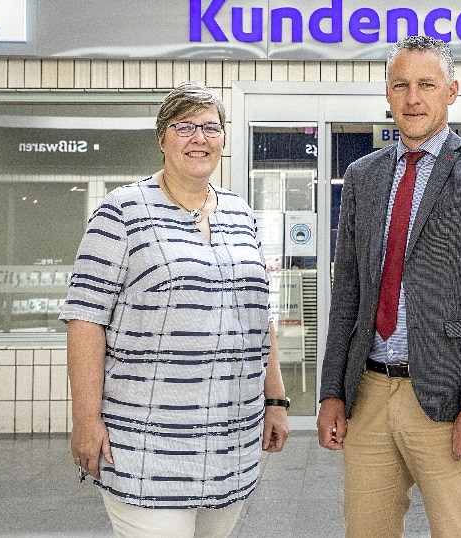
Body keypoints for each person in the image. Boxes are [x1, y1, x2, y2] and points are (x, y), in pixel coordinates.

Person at [62, 82, 290, 538]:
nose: (199, 138)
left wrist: (276, 400)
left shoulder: (241, 215)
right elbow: (85, 320)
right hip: (148, 445)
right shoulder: (121, 212)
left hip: (231, 441)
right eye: (184, 127)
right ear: (162, 138)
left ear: (224, 139)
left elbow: (258, 314)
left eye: (210, 127)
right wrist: (86, 420)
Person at [317, 35, 461, 538]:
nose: (412, 98)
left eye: (426, 85)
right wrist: (331, 392)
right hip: (368, 392)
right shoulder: (362, 175)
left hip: (446, 400)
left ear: (451, 91)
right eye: (401, 85)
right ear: (387, 93)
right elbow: (347, 291)